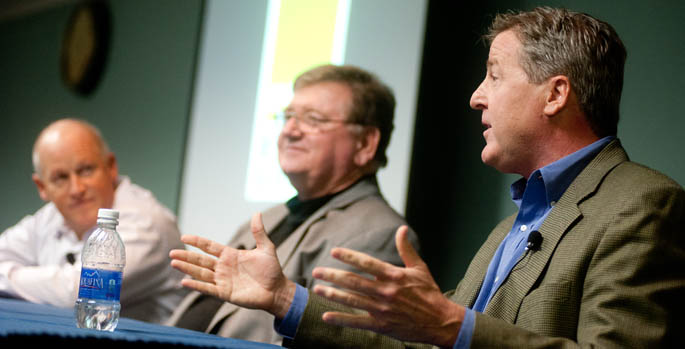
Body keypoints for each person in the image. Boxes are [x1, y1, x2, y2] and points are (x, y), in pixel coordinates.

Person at [170, 7, 685, 347]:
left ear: (554, 95)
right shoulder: (513, 224)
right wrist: (285, 298)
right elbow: (422, 344)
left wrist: (452, 324)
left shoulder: (642, 204)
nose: (476, 96)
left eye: (494, 75)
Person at [166, 64, 420, 344]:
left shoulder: (375, 234)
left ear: (365, 143)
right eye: (288, 117)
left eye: (313, 119)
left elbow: (334, 340)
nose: (290, 130)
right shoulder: (270, 217)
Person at [0, 118, 188, 324]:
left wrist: (9, 275)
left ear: (111, 167)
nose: (76, 189)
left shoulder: (147, 223)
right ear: (42, 187)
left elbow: (80, 291)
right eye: (60, 178)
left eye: (86, 170)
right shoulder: (49, 217)